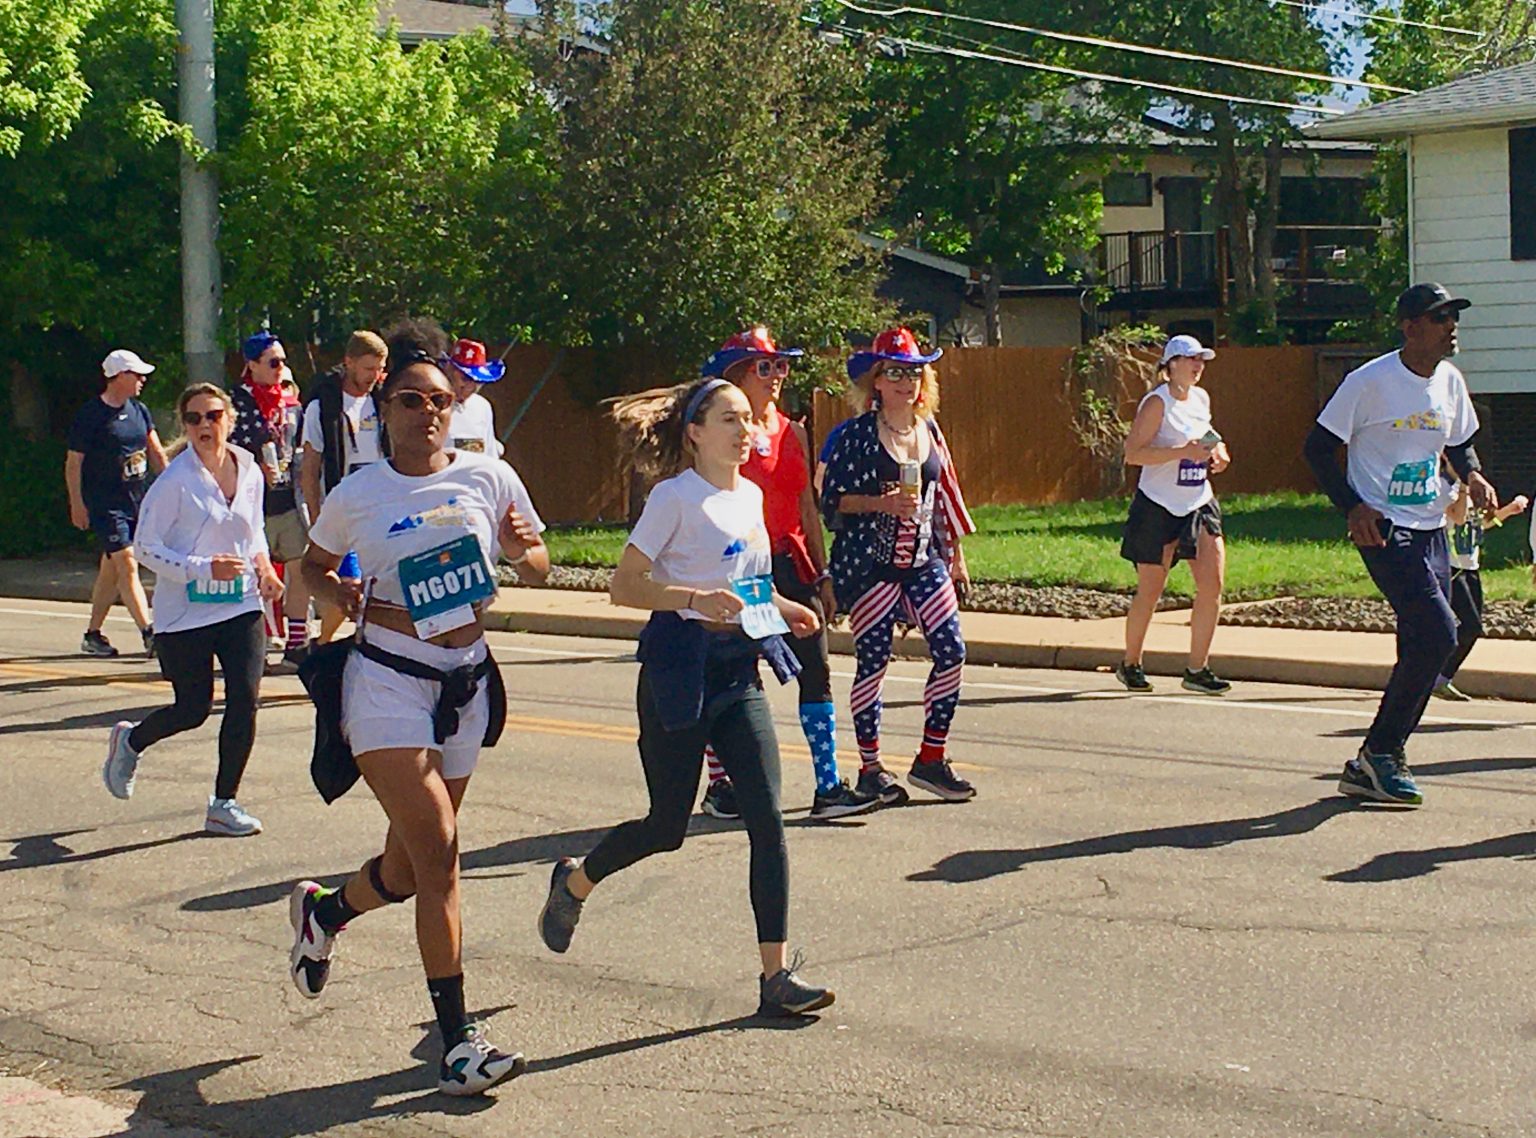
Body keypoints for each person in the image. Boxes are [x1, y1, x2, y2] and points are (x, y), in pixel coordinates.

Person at [290, 319, 548, 1096]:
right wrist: (334, 590)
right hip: (385, 680)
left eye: (439, 400)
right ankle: (459, 1041)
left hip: (464, 682)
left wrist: (522, 548)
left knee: (407, 869)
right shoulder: (359, 492)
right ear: (384, 412)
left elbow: (536, 561)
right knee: (440, 851)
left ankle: (326, 912)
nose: (427, 412)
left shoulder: (489, 475)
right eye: (410, 400)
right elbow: (312, 565)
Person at [535, 376, 836, 1019]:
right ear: (695, 433)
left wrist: (786, 608)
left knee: (768, 821)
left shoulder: (751, 496)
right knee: (667, 826)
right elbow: (624, 586)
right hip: (678, 666)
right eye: (728, 418)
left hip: (737, 672)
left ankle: (775, 977)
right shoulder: (673, 498)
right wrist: (694, 601)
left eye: (745, 420)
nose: (742, 428)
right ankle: (575, 880)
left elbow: (747, 584)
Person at [1304, 283, 1495, 807]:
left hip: (1432, 526)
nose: (1450, 326)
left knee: (1428, 640)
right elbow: (1318, 448)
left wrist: (1472, 477)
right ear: (1410, 328)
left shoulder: (1449, 381)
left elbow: (1459, 441)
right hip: (1384, 528)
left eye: (1453, 316)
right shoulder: (1369, 382)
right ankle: (1382, 752)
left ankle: (1373, 763)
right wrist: (1353, 507)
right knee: (1440, 632)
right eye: (1439, 318)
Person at [696, 327, 877, 822]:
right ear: (736, 374)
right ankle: (721, 784)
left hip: (790, 560)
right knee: (735, 673)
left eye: (782, 366)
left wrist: (823, 574)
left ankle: (827, 785)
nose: (778, 376)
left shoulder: (793, 432)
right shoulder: (719, 436)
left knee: (815, 669)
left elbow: (805, 503)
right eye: (765, 366)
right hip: (739, 564)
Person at [101, 384, 282, 836]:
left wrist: (263, 567)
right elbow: (145, 547)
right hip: (186, 613)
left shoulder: (249, 469)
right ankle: (132, 740)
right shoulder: (174, 482)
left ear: (229, 419)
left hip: (241, 603)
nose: (205, 425)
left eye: (214, 415)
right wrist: (201, 568)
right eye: (195, 418)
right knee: (192, 709)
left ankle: (224, 802)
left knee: (245, 698)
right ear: (184, 425)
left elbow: (253, 529)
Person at [821, 327, 977, 804]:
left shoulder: (929, 431)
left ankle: (931, 758)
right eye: (895, 373)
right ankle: (871, 768)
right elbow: (831, 502)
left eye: (913, 373)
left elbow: (944, 493)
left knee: (951, 650)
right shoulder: (854, 437)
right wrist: (877, 504)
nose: (906, 383)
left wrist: (957, 557)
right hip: (872, 566)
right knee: (873, 661)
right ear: (876, 381)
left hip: (925, 560)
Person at [1114, 335, 1233, 696]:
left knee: (1212, 584)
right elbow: (1133, 453)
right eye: (1190, 359)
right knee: (1151, 590)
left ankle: (1197, 668)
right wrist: (1182, 452)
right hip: (1158, 504)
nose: (1198, 366)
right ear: (1171, 364)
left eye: (1202, 360)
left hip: (1198, 501)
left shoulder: (1200, 398)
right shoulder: (1156, 403)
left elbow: (1208, 435)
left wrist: (1219, 452)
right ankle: (1131, 663)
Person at [65, 350, 167, 658]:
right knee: (126, 562)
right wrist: (77, 503)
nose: (142, 380)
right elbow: (73, 462)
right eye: (136, 375)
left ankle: (93, 634)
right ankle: (150, 632)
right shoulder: (90, 414)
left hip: (137, 500)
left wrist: (177, 488)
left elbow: (157, 453)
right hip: (105, 503)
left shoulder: (139, 410)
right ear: (118, 377)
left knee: (111, 570)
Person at [229, 332, 312, 669]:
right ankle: (255, 643)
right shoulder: (235, 406)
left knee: (299, 569)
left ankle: (297, 642)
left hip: (288, 500)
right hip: (251, 505)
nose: (281, 368)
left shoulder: (290, 406)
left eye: (283, 361)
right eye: (273, 362)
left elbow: (303, 450)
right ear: (252, 365)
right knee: (253, 577)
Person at [301, 330, 387, 643]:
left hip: (381, 510)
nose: (373, 376)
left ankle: (336, 645)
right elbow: (310, 470)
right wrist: (316, 517)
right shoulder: (322, 407)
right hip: (343, 511)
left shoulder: (385, 402)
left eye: (379, 369)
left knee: (376, 588)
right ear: (348, 362)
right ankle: (322, 644)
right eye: (367, 369)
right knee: (346, 585)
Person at [1431, 473, 1526, 700]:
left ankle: (1440, 677)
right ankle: (1437, 677)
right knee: (1469, 625)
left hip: (1470, 567)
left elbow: (1479, 525)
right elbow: (1459, 517)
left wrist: (1509, 510)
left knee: (1472, 627)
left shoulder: (1470, 489)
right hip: (1451, 566)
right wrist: (1464, 487)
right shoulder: (1445, 488)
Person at [444, 339, 506, 458]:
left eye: (478, 381)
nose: (470, 387)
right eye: (465, 379)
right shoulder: (429, 404)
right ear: (448, 370)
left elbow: (489, 455)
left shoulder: (482, 407)